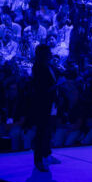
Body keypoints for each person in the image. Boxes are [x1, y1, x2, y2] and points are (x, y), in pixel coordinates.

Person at [30, 43, 57, 173]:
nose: (51, 53)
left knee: (48, 131)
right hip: (42, 104)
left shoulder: (49, 66)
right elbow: (41, 89)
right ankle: (38, 159)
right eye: (49, 52)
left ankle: (47, 154)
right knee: (41, 132)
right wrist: (57, 85)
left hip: (51, 103)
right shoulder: (38, 68)